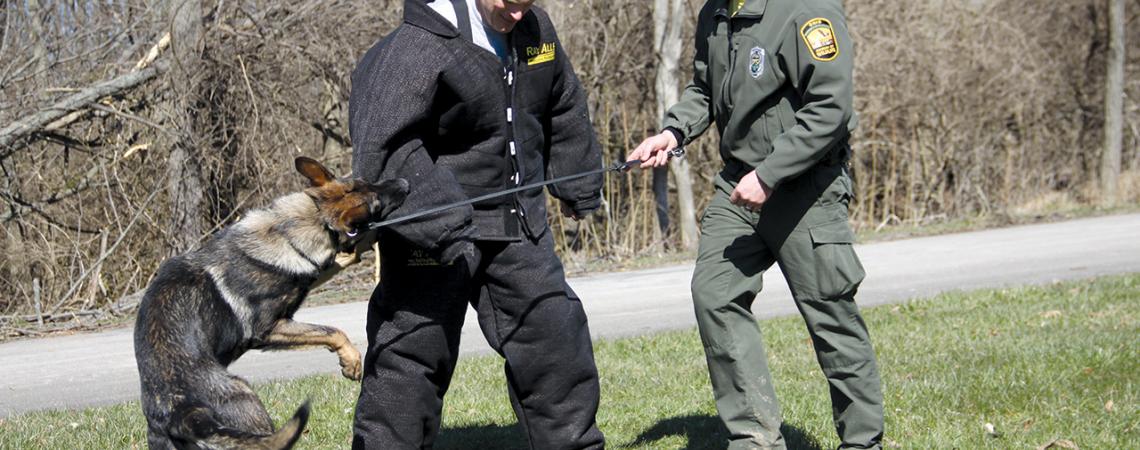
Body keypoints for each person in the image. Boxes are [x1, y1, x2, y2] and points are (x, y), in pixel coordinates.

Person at [348, 0, 606, 449]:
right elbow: (382, 150)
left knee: (557, 336)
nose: (518, 14)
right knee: (411, 359)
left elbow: (562, 102)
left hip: (516, 222)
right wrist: (444, 219)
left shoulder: (534, 31)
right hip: (431, 231)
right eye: (508, 3)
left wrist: (578, 182)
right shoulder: (419, 46)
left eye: (527, 3)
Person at [627, 0, 885, 448]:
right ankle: (754, 437)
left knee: (831, 316)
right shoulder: (716, 13)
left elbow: (830, 108)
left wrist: (770, 175)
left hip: (806, 188)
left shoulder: (806, 11)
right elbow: (706, 89)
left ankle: (863, 441)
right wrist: (672, 133)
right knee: (714, 293)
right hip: (738, 187)